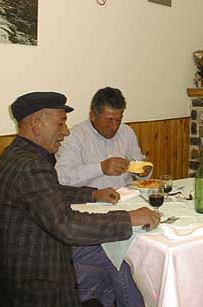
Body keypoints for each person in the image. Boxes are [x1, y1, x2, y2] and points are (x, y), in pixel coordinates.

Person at [0, 92, 160, 307]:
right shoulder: (31, 166)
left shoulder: (17, 155)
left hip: (22, 262)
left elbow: (50, 192)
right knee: (118, 261)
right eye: (60, 124)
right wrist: (128, 218)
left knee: (116, 256)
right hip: (36, 280)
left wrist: (92, 194)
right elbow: (66, 226)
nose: (65, 131)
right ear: (37, 124)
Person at [55, 87, 150, 307]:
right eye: (109, 120)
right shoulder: (75, 137)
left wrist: (143, 169)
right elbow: (61, 177)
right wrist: (100, 168)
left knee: (148, 249)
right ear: (93, 115)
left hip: (128, 207)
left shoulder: (127, 133)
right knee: (122, 260)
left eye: (118, 119)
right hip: (89, 219)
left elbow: (139, 163)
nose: (114, 126)